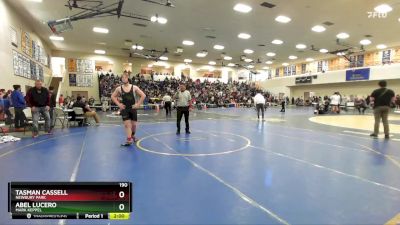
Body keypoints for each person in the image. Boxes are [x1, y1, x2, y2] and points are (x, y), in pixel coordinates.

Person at [111, 73, 146, 146]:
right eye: (122, 78)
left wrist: (138, 104)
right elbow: (113, 96)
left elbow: (143, 95)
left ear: (128, 78)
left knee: (134, 126)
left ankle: (132, 135)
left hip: (133, 108)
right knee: (127, 125)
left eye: (124, 77)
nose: (123, 79)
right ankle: (129, 139)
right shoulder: (119, 88)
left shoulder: (134, 87)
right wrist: (119, 104)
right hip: (125, 109)